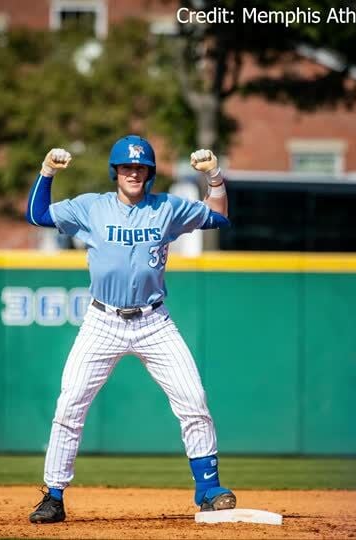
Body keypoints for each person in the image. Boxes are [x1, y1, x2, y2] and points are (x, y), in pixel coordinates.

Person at [24, 134, 234, 524]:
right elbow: (37, 216)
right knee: (70, 404)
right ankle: (53, 495)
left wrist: (215, 178)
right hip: (103, 320)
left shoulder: (166, 207)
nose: (133, 173)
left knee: (193, 398)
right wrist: (47, 173)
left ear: (150, 172)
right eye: (126, 167)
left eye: (140, 167)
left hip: (154, 321)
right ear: (116, 172)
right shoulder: (91, 207)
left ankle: (209, 490)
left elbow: (217, 216)